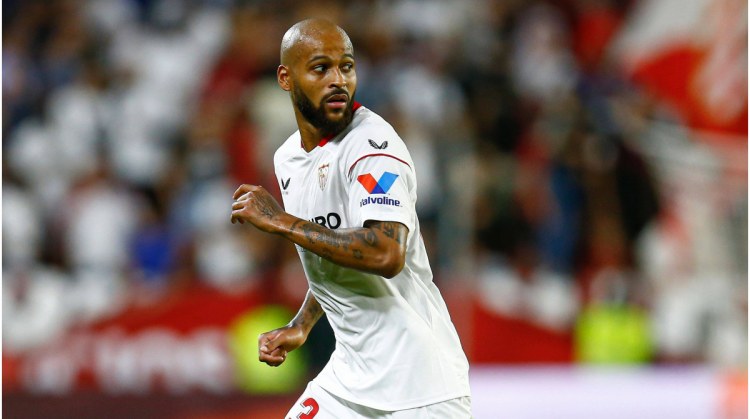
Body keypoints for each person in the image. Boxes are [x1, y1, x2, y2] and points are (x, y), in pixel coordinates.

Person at [230, 19, 471, 418]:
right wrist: (302, 324)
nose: (338, 80)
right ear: (286, 78)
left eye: (346, 66)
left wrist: (281, 221)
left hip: (420, 388)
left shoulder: (373, 148)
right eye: (321, 68)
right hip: (349, 379)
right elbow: (332, 245)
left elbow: (385, 253)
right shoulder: (288, 159)